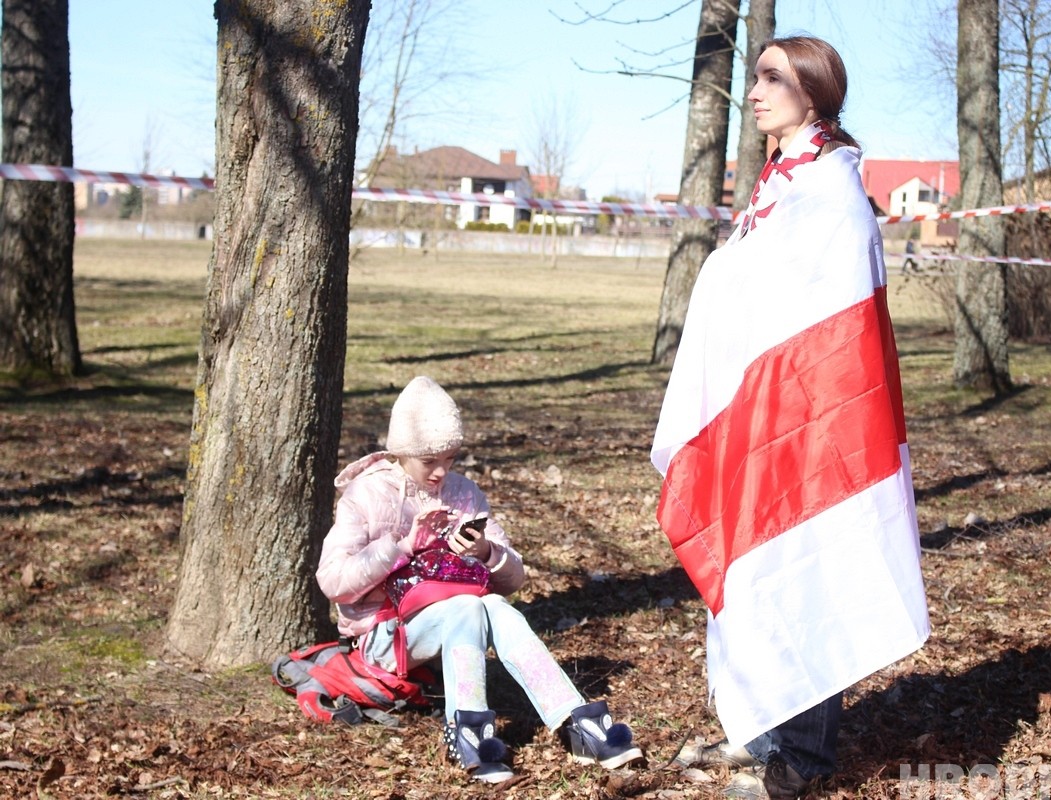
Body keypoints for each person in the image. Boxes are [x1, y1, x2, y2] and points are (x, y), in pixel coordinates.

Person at [651, 36, 930, 800]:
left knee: (802, 560)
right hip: (760, 407)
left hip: (813, 417)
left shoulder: (832, 192)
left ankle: (802, 759)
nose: (754, 90)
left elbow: (827, 322)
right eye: (756, 75)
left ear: (813, 91)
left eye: (773, 76)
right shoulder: (783, 181)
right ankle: (764, 727)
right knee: (755, 557)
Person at [317, 376, 642, 783]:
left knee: (493, 605)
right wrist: (402, 547)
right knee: (471, 605)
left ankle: (576, 721)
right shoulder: (365, 495)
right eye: (429, 460)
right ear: (403, 452)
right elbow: (333, 582)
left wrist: (485, 552)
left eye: (450, 458)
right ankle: (468, 728)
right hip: (383, 635)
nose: (441, 472)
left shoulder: (464, 494)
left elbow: (514, 578)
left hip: (457, 618)